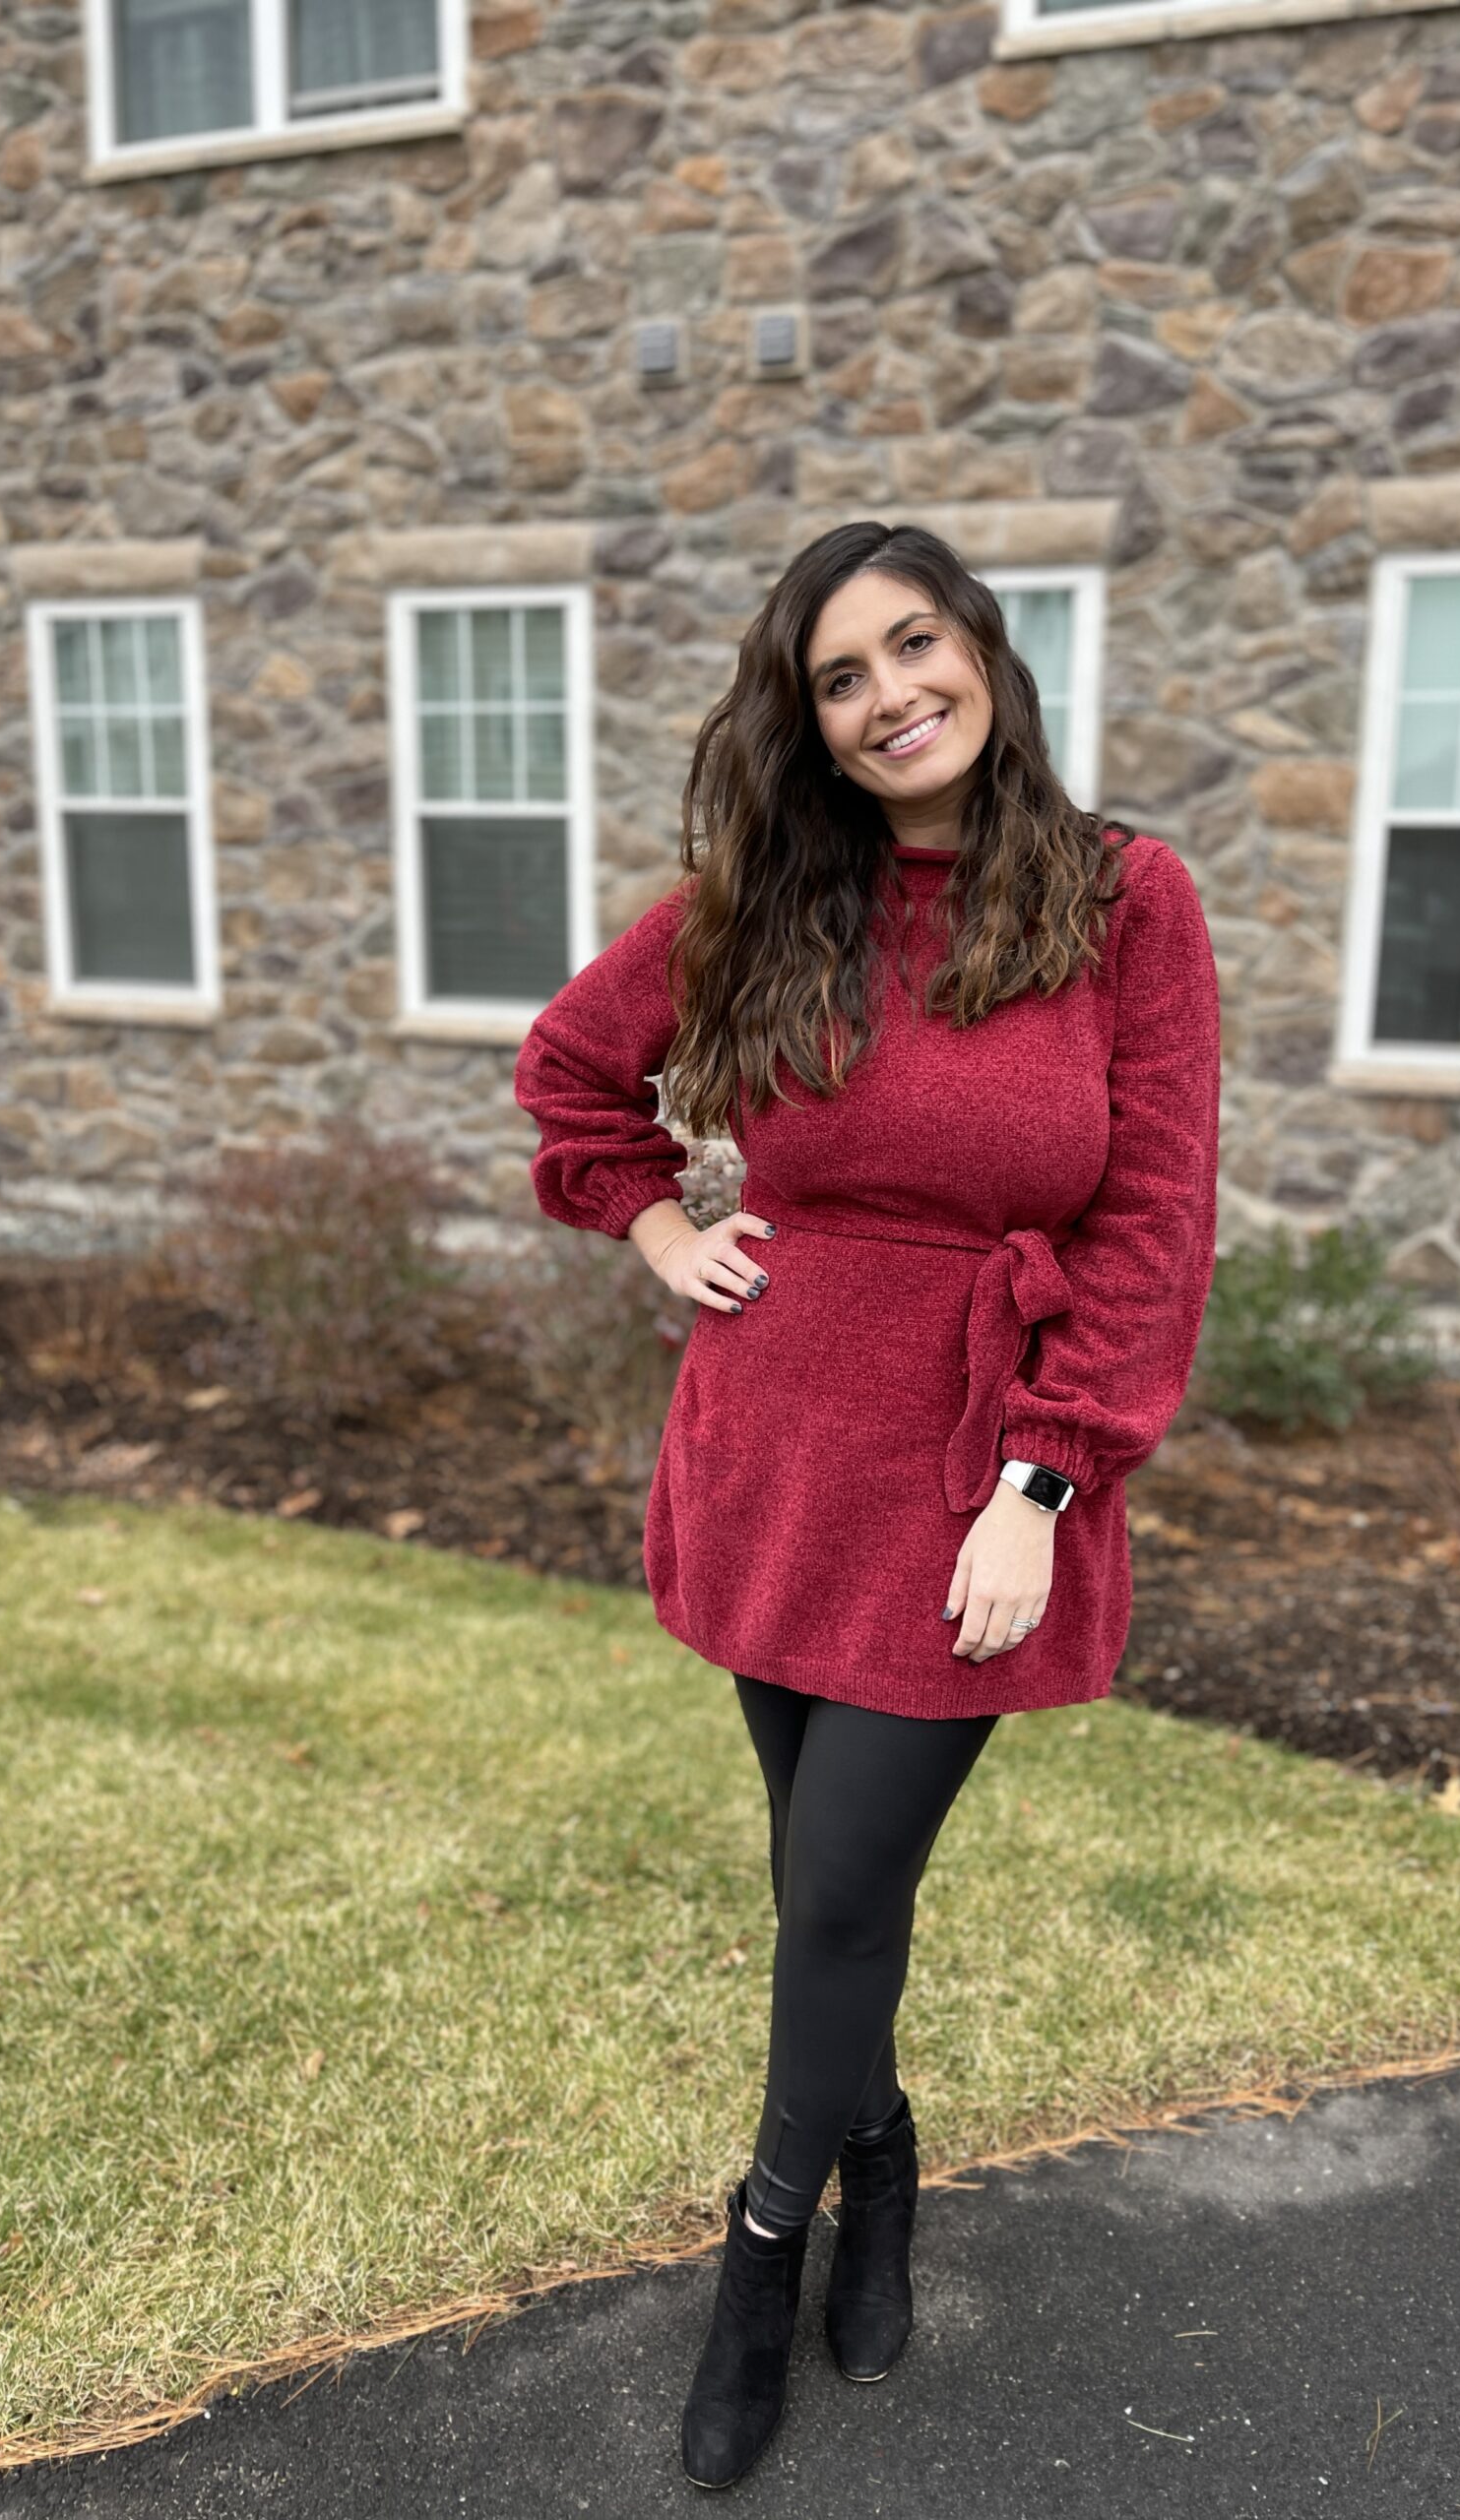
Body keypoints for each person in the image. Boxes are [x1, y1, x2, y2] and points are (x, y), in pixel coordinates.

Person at [512, 519, 1222, 2489]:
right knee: (827, 1885)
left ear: (983, 652)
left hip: (972, 1457)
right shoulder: (769, 896)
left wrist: (1044, 1482)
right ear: (809, 722)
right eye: (842, 674)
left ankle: (760, 2254)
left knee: (838, 1886)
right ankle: (881, 2156)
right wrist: (659, 1225)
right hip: (774, 1445)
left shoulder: (1123, 901)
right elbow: (575, 1070)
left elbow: (1154, 1220)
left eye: (916, 645)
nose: (891, 692)